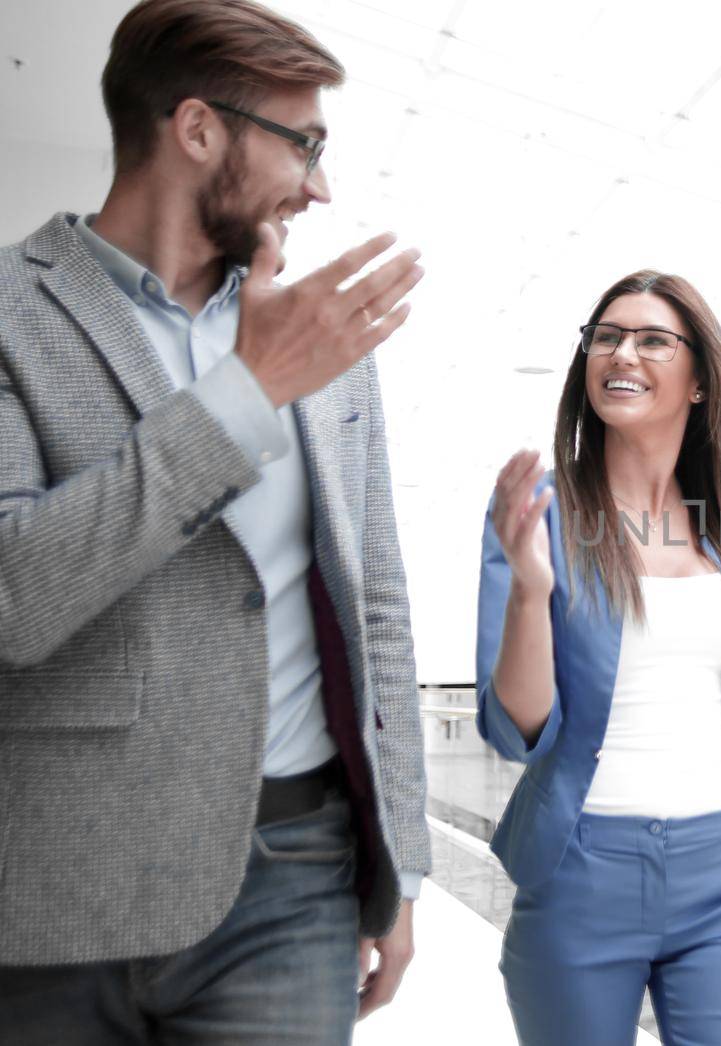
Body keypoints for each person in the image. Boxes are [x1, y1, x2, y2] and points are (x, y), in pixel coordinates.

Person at [0, 1, 429, 1041]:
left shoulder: (328, 341)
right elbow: (13, 596)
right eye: (305, 145)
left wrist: (401, 862)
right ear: (196, 130)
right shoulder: (11, 312)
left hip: (293, 870)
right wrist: (244, 393)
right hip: (59, 882)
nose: (320, 185)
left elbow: (375, 604)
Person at [475, 269, 721, 1045]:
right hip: (581, 870)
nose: (622, 352)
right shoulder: (541, 514)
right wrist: (531, 591)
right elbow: (515, 728)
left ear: (698, 381)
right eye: (607, 337)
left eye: (653, 339)